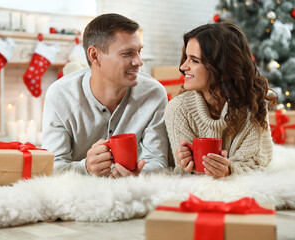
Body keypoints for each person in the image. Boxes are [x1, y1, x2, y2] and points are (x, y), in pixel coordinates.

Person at [42, 13, 169, 178]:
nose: (139, 62)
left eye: (139, 51)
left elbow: (157, 161)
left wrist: (137, 174)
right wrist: (86, 167)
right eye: (127, 53)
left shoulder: (154, 93)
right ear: (95, 56)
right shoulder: (59, 95)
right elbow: (51, 166)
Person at [165, 22, 277, 178]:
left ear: (222, 66)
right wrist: (185, 164)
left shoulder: (251, 104)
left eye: (194, 60)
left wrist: (229, 170)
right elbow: (187, 173)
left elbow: (257, 164)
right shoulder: (177, 109)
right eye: (186, 58)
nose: (183, 67)